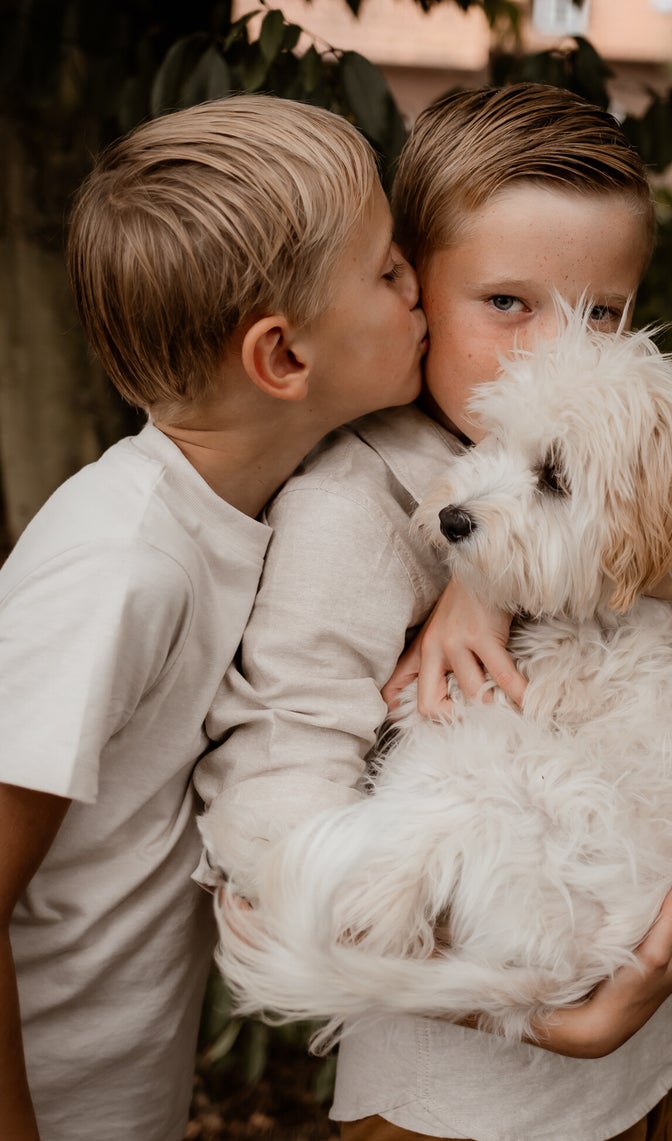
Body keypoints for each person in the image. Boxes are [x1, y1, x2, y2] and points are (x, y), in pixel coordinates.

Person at [197, 85, 672, 1141]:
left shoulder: (621, 448)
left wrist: (483, 582)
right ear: (412, 287)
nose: (554, 350)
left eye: (600, 313)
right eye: (508, 303)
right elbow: (274, 827)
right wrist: (532, 1015)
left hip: (644, 1072)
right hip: (463, 1104)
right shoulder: (353, 509)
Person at [0, 93, 428, 1141]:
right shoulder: (121, 568)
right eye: (387, 270)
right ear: (282, 359)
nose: (420, 280)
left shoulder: (259, 509)